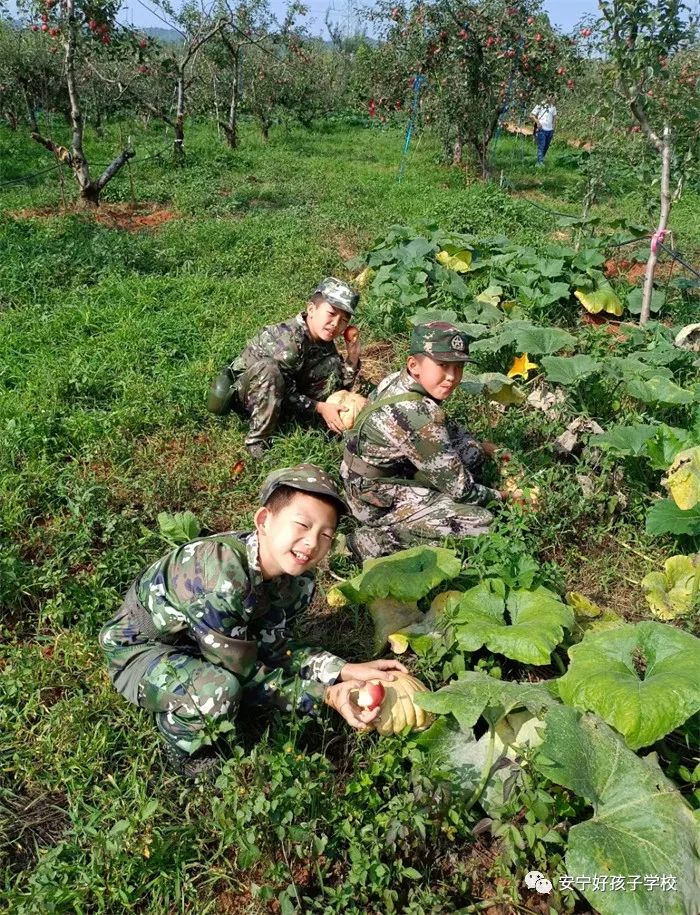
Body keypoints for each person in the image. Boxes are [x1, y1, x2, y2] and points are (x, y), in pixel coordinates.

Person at [99, 464, 406, 778]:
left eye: (325, 535)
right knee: (219, 691)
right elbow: (244, 675)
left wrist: (342, 670)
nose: (312, 542)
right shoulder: (219, 576)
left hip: (204, 640)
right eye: (302, 524)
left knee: (240, 672)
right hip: (143, 649)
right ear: (263, 521)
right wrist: (326, 696)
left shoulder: (297, 580)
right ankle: (183, 746)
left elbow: (277, 648)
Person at [340, 322, 509, 561]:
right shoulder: (417, 414)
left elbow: (448, 429)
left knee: (472, 454)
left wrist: (480, 448)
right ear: (414, 365)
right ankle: (369, 542)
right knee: (481, 523)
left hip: (367, 475)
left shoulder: (398, 380)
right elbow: (463, 492)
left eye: (458, 367)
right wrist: (504, 496)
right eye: (442, 365)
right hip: (374, 500)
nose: (452, 377)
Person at [207, 278, 361, 458]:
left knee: (330, 366)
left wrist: (352, 358)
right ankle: (257, 441)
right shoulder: (288, 341)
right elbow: (283, 390)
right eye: (331, 314)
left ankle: (297, 421)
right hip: (251, 394)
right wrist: (320, 407)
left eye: (343, 320)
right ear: (311, 309)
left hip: (285, 392)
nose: (336, 324)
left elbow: (336, 387)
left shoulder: (324, 341)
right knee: (269, 370)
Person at [531, 95, 557, 166]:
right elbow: (532, 115)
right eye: (550, 96)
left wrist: (553, 129)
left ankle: (540, 160)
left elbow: (554, 119)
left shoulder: (553, 107)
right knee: (541, 146)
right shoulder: (540, 105)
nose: (551, 98)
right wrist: (538, 122)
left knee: (546, 146)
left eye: (553, 97)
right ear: (547, 96)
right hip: (541, 129)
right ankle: (539, 162)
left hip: (550, 130)